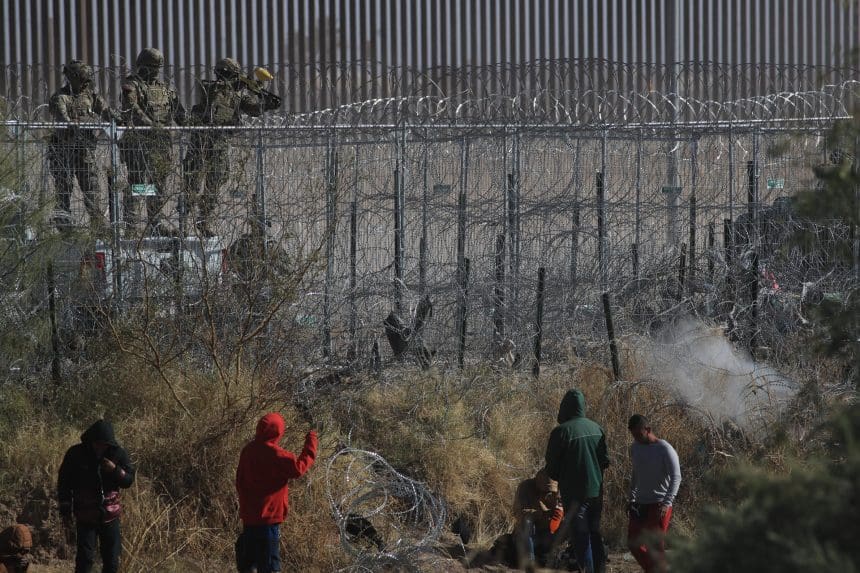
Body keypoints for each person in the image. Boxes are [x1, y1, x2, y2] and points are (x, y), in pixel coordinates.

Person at [182, 57, 280, 237]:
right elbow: (215, 102)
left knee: (215, 183)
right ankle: (182, 224)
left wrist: (265, 103)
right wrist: (240, 86)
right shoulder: (211, 88)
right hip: (201, 143)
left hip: (219, 144)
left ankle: (204, 222)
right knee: (192, 185)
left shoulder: (237, 93)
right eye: (234, 75)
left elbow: (252, 109)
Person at [235, 413, 317, 573]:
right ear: (278, 432)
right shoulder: (277, 454)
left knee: (248, 565)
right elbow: (299, 468)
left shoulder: (247, 450)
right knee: (270, 567)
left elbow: (239, 481)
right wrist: (312, 438)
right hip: (268, 521)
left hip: (249, 519)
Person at [119, 47, 186, 236]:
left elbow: (179, 112)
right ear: (141, 66)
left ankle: (155, 222)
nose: (154, 71)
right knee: (138, 184)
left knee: (159, 186)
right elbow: (132, 108)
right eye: (150, 67)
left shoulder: (165, 89)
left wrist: (197, 124)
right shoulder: (133, 85)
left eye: (157, 67)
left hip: (162, 145)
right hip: (140, 143)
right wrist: (152, 126)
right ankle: (131, 225)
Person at [57, 420, 135, 573]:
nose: (101, 447)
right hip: (85, 516)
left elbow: (129, 481)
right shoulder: (75, 454)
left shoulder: (118, 453)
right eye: (97, 443)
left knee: (112, 561)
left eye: (104, 444)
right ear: (91, 440)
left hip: (111, 516)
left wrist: (115, 470)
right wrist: (65, 511)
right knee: (84, 561)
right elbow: (64, 483)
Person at [47, 59, 117, 232]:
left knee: (91, 187)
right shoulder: (60, 97)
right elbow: (61, 115)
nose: (86, 84)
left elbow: (107, 111)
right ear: (72, 78)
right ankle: (63, 223)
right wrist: (71, 123)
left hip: (85, 150)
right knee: (64, 187)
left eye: (87, 81)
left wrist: (117, 119)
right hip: (64, 150)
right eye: (83, 80)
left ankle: (98, 223)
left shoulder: (91, 97)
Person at [544, 389, 609, 573]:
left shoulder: (561, 432)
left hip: (574, 495)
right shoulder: (597, 428)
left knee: (581, 538)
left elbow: (551, 466)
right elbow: (605, 461)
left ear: (565, 407)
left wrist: (560, 477)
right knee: (595, 534)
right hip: (596, 493)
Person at [626, 414, 682, 573]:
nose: (636, 438)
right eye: (633, 435)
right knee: (633, 543)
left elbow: (676, 476)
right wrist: (632, 498)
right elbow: (636, 473)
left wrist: (667, 502)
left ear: (648, 429)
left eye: (638, 434)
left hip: (659, 504)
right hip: (639, 504)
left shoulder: (664, 449)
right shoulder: (635, 447)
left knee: (655, 548)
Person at [512, 467, 564, 567]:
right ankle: (529, 561)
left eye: (550, 490)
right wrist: (540, 514)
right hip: (529, 535)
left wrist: (559, 514)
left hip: (548, 534)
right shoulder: (525, 487)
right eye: (545, 489)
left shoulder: (559, 491)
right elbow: (518, 512)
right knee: (527, 521)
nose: (547, 493)